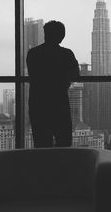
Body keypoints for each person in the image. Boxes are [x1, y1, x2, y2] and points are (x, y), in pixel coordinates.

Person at [27, 20, 80, 148]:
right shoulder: (66, 54)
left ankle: (44, 168)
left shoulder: (33, 53)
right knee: (64, 143)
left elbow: (34, 75)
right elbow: (76, 74)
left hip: (38, 105)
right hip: (59, 104)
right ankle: (61, 168)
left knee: (41, 145)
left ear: (45, 34)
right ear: (61, 36)